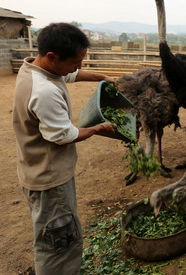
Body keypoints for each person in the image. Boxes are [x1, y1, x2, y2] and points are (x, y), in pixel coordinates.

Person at [12, 22, 117, 275]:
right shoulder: (45, 91)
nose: (78, 67)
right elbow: (64, 135)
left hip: (34, 171)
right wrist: (97, 128)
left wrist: (101, 76)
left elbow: (69, 74)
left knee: (49, 233)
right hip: (50, 181)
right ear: (52, 57)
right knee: (59, 243)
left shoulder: (34, 70)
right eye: (75, 61)